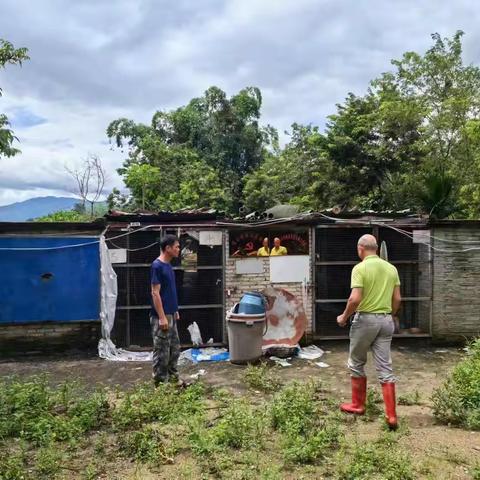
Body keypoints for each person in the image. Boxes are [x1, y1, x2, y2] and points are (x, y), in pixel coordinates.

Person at [336, 234, 401, 429]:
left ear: (360, 249)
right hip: (386, 320)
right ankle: (391, 416)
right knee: (385, 367)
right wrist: (390, 314)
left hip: (365, 320)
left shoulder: (360, 268)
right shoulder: (391, 269)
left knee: (356, 362)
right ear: (376, 249)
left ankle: (357, 405)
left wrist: (344, 317)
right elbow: (397, 299)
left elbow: (354, 299)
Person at [150, 235, 182, 386]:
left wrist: (175, 310)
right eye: (176, 247)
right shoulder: (157, 266)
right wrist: (162, 317)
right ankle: (161, 385)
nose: (178, 249)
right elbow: (155, 293)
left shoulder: (168, 266)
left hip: (171, 314)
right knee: (162, 352)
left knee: (175, 349)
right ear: (167, 248)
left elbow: (170, 291)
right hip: (161, 316)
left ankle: (174, 380)